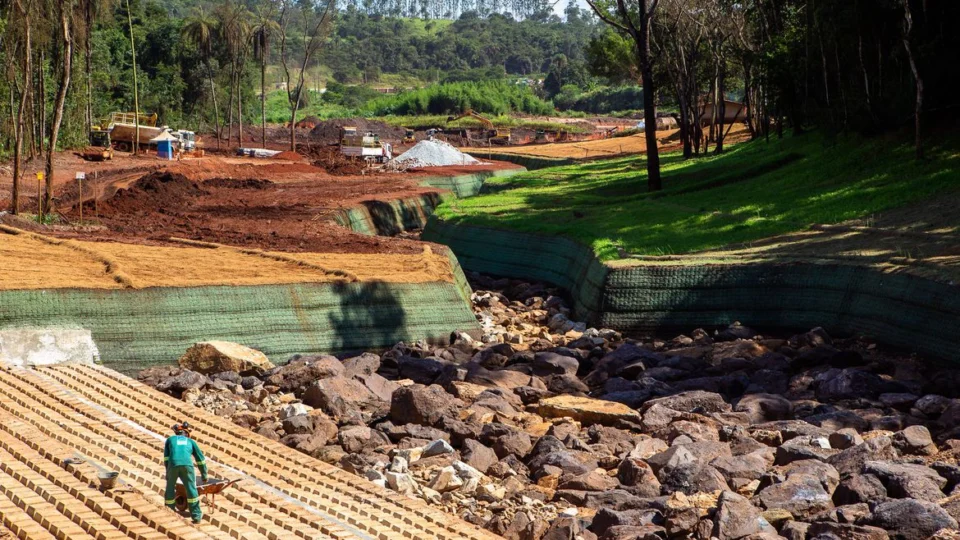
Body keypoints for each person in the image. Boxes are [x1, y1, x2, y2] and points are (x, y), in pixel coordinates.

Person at [163, 422, 208, 523]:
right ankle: (196, 516)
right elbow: (200, 459)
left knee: (170, 488)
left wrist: (168, 472)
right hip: (187, 466)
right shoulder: (191, 442)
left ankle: (169, 512)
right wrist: (204, 475)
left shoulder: (170, 440)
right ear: (186, 433)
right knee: (191, 489)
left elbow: (166, 458)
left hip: (173, 465)